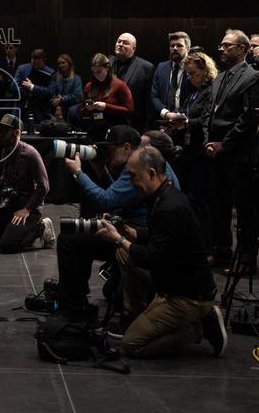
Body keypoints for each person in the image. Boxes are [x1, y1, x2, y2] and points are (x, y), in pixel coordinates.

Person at [92, 147, 227, 358]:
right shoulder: (162, 196)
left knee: (131, 344)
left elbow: (152, 258)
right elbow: (159, 237)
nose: (131, 181)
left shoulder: (170, 207)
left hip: (188, 296)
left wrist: (118, 239)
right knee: (123, 254)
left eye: (134, 176)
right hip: (174, 281)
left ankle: (198, 328)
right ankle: (140, 314)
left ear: (152, 173)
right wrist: (130, 232)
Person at [204, 29, 259, 270]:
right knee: (218, 207)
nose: (221, 49)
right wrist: (209, 141)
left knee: (244, 210)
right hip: (215, 151)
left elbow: (248, 119)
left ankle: (247, 260)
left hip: (237, 154)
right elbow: (211, 110)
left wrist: (224, 144)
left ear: (242, 49)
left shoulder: (253, 77)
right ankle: (222, 252)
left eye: (227, 45)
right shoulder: (219, 77)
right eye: (220, 45)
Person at [63, 124, 180, 225]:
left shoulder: (138, 167)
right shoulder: (149, 161)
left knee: (67, 240)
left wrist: (78, 172)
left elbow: (107, 201)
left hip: (142, 227)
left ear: (126, 148)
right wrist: (100, 169)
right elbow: (117, 195)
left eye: (111, 150)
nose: (109, 154)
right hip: (145, 223)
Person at [166, 51, 218, 262]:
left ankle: (207, 246)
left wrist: (186, 123)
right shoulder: (194, 92)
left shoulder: (209, 91)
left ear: (205, 72)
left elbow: (205, 120)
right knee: (188, 199)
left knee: (200, 201)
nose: (189, 77)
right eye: (187, 74)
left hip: (199, 153)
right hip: (187, 152)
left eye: (193, 73)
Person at [0, 114, 52, 253]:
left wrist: (27, 209)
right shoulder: (5, 151)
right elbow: (5, 177)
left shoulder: (31, 154)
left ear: (16, 132)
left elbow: (44, 186)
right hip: (11, 204)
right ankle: (11, 230)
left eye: (4, 131)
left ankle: (40, 227)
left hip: (27, 208)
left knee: (8, 246)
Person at [77, 53, 134, 141]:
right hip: (95, 130)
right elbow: (82, 112)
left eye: (99, 71)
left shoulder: (119, 85)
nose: (96, 75)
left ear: (107, 68)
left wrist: (106, 107)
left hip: (116, 131)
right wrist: (88, 108)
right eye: (94, 72)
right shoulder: (89, 86)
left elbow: (129, 111)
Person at [109, 32, 155, 129]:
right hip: (109, 119)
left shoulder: (146, 67)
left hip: (133, 122)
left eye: (125, 43)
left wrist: (147, 127)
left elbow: (149, 100)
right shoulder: (108, 63)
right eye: (119, 41)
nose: (120, 44)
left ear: (133, 48)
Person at [150, 31, 195, 125]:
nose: (175, 48)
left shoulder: (194, 68)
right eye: (172, 46)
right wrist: (166, 113)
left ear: (188, 48)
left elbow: (196, 94)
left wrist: (180, 115)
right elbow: (154, 96)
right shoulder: (161, 67)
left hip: (187, 121)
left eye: (179, 45)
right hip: (164, 121)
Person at [13, 48, 56, 127]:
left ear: (44, 60)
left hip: (40, 109)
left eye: (37, 63)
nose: (34, 65)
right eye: (33, 62)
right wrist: (27, 91)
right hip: (22, 107)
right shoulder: (22, 69)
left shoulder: (50, 72)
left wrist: (32, 87)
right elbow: (13, 86)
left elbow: (50, 92)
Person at [50, 53, 83, 122]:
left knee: (72, 110)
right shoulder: (55, 77)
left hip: (71, 104)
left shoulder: (76, 78)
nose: (61, 65)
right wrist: (58, 106)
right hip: (56, 105)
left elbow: (77, 95)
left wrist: (62, 99)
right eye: (59, 63)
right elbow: (52, 92)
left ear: (69, 64)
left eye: (63, 63)